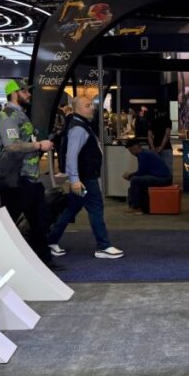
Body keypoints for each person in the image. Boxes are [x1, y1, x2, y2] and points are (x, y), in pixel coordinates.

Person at [0, 80, 56, 268]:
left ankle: (43, 261)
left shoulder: (20, 114)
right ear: (14, 93)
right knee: (11, 221)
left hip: (29, 177)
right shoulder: (8, 115)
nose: (28, 94)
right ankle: (4, 261)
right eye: (25, 91)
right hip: (17, 178)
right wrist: (38, 145)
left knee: (39, 220)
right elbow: (11, 145)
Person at [46, 96, 125, 259]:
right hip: (85, 180)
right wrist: (75, 180)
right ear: (77, 109)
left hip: (83, 179)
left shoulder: (81, 124)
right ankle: (103, 246)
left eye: (91, 105)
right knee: (95, 208)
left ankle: (50, 241)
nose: (92, 108)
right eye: (87, 105)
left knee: (72, 209)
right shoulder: (78, 128)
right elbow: (71, 155)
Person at [123, 141, 173, 214]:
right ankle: (138, 205)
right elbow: (143, 171)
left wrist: (130, 175)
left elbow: (141, 172)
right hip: (164, 177)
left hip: (162, 179)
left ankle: (136, 207)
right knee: (136, 182)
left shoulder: (142, 155)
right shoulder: (145, 152)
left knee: (134, 180)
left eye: (131, 151)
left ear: (134, 148)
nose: (131, 153)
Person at [148, 110, 173, 175]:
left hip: (154, 147)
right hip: (166, 147)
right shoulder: (168, 120)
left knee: (155, 170)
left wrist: (153, 148)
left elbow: (150, 136)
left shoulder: (152, 121)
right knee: (168, 170)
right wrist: (161, 147)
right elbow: (167, 135)